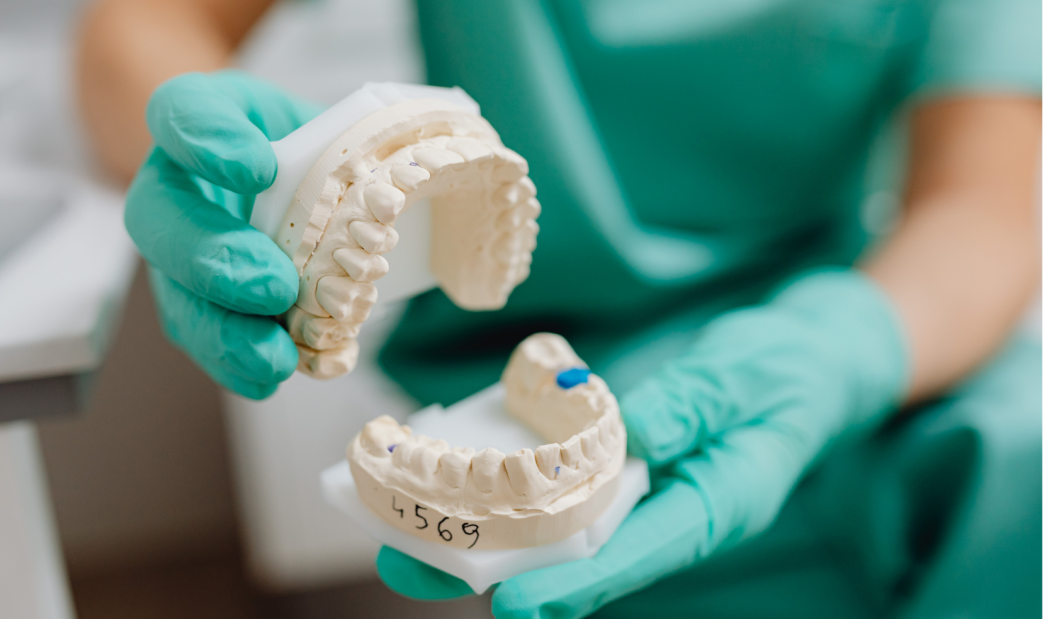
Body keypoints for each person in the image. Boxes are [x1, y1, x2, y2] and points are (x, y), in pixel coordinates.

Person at [76, 0, 1041, 616]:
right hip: (528, 391)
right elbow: (142, 23)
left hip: (880, 340)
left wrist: (848, 345)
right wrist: (219, 168)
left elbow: (990, 200)